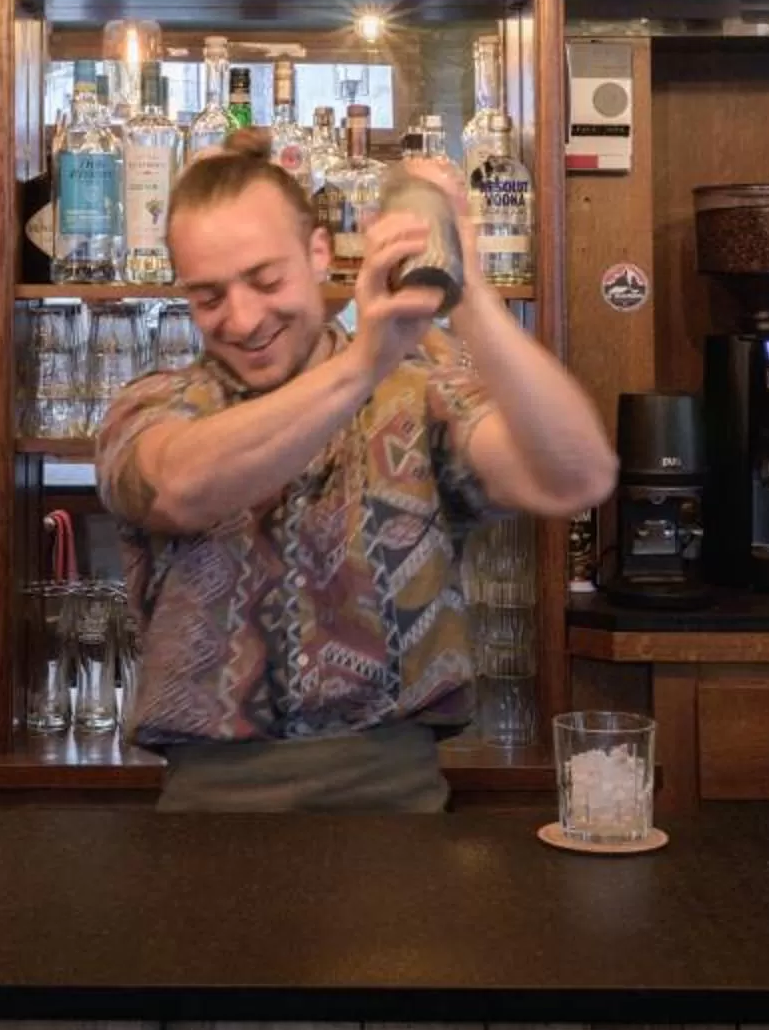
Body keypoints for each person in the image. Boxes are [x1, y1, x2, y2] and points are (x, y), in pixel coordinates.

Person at [93, 129, 616, 812]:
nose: (244, 318)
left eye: (265, 279)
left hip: (396, 808)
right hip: (206, 813)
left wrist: (470, 294)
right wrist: (363, 362)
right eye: (208, 296)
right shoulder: (156, 405)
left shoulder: (415, 394)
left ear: (318, 251)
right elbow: (180, 487)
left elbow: (576, 476)